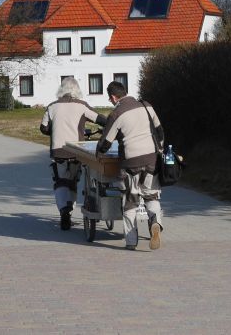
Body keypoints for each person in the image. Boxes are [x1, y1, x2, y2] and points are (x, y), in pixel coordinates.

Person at [96, 81, 165, 250]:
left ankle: (131, 241)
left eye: (110, 98)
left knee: (130, 201)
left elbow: (106, 142)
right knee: (151, 196)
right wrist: (160, 149)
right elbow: (160, 131)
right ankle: (155, 222)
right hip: (151, 159)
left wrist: (98, 153)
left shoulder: (116, 113)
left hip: (130, 163)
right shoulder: (146, 105)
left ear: (113, 97)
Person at [40, 77, 106, 230]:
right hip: (76, 150)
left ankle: (64, 211)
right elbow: (99, 119)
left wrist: (54, 130)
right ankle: (69, 210)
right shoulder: (81, 106)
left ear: (61, 90)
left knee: (60, 180)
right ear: (77, 90)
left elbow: (43, 128)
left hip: (58, 150)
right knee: (73, 180)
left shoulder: (52, 106)